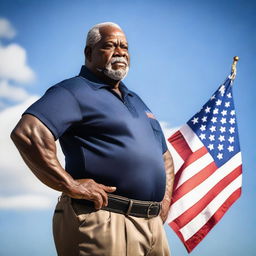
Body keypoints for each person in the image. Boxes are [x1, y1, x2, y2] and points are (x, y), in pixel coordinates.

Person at [11, 22, 174, 256]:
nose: (120, 52)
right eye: (109, 46)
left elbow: (165, 158)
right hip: (104, 220)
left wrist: (163, 203)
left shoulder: (137, 100)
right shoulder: (73, 91)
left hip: (152, 226)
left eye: (125, 47)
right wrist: (70, 184)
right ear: (89, 52)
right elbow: (28, 133)